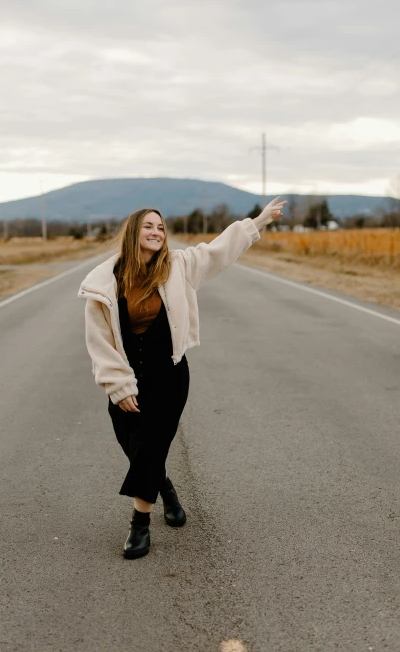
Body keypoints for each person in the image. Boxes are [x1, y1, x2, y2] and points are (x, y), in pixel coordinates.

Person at [78, 196, 287, 559]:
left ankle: (138, 526)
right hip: (129, 377)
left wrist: (260, 221)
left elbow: (219, 249)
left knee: (153, 445)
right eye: (149, 226)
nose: (157, 232)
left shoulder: (179, 266)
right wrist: (118, 385)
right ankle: (167, 491)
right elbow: (99, 341)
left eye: (161, 227)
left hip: (170, 375)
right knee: (135, 447)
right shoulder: (104, 282)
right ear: (132, 233)